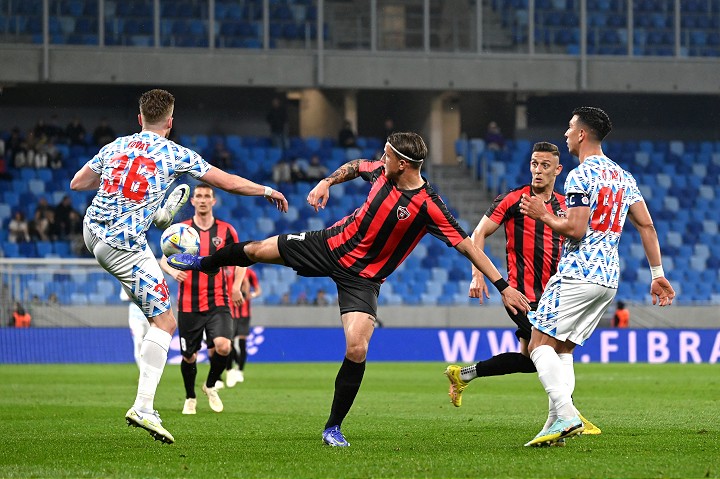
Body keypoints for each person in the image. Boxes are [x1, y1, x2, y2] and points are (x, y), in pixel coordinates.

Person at [167, 131, 530, 447]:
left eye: (387, 155)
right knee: (257, 250)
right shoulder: (381, 172)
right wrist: (327, 181)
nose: (380, 159)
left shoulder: (429, 206)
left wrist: (502, 286)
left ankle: (333, 426)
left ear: (403, 164)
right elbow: (357, 165)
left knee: (357, 346)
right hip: (328, 245)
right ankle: (203, 262)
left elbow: (467, 245)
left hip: (363, 279)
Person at [70, 88, 288, 444]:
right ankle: (143, 407)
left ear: (139, 119)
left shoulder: (115, 146)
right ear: (170, 123)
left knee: (152, 290)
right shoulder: (175, 153)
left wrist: (125, 190)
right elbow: (226, 182)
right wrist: (265, 190)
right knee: (165, 321)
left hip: (92, 231)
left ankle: (156, 217)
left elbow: (78, 183)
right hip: (123, 246)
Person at [519, 106, 675, 447]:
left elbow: (575, 230)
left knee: (537, 344)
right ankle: (554, 427)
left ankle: (567, 412)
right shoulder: (623, 176)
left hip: (578, 272)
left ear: (581, 135)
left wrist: (542, 214)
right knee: (563, 348)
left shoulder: (579, 176)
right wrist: (657, 274)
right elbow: (646, 225)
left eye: (569, 128)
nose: (565, 135)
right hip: (607, 278)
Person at [444, 141, 602, 437]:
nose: (538, 171)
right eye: (534, 164)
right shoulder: (514, 199)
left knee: (531, 360)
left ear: (558, 169)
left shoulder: (565, 205)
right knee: (553, 350)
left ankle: (463, 374)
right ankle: (569, 415)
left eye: (544, 166)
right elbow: (478, 233)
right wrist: (477, 275)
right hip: (520, 295)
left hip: (555, 294)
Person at [160, 184, 245, 414]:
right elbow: (163, 259)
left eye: (207, 196)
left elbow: (240, 260)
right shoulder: (182, 230)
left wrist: (236, 287)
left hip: (218, 301)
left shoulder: (226, 231)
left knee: (224, 346)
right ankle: (190, 397)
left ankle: (210, 386)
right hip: (189, 304)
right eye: (199, 196)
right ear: (193, 201)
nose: (203, 200)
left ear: (213, 201)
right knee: (189, 356)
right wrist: (172, 271)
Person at [224, 266, 262, 387]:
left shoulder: (250, 273)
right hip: (230, 312)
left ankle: (240, 370)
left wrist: (252, 295)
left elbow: (258, 290)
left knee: (242, 341)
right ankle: (232, 367)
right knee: (229, 342)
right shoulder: (227, 270)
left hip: (244, 313)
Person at [121, 288, 150, 369]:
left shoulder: (149, 280)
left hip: (149, 316)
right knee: (138, 342)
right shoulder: (127, 281)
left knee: (150, 344)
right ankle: (142, 371)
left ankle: (149, 369)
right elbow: (124, 297)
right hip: (135, 318)